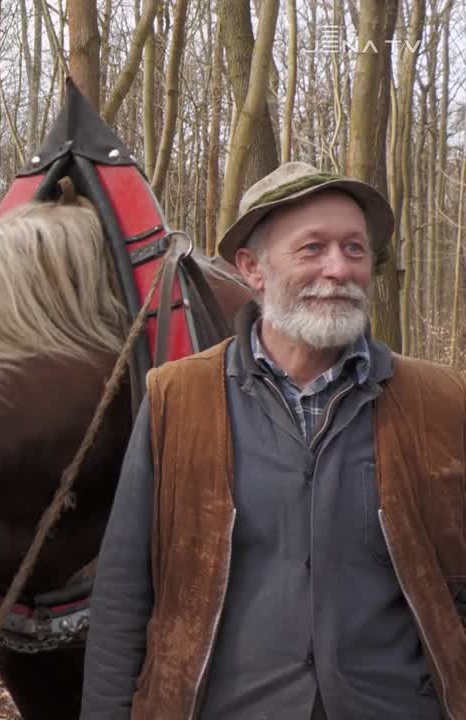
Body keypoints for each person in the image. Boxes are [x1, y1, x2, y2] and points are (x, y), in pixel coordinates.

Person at [81, 161, 466, 720]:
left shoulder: (441, 401)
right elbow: (123, 595)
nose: (339, 268)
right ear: (253, 269)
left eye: (354, 249)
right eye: (313, 248)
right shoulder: (176, 400)